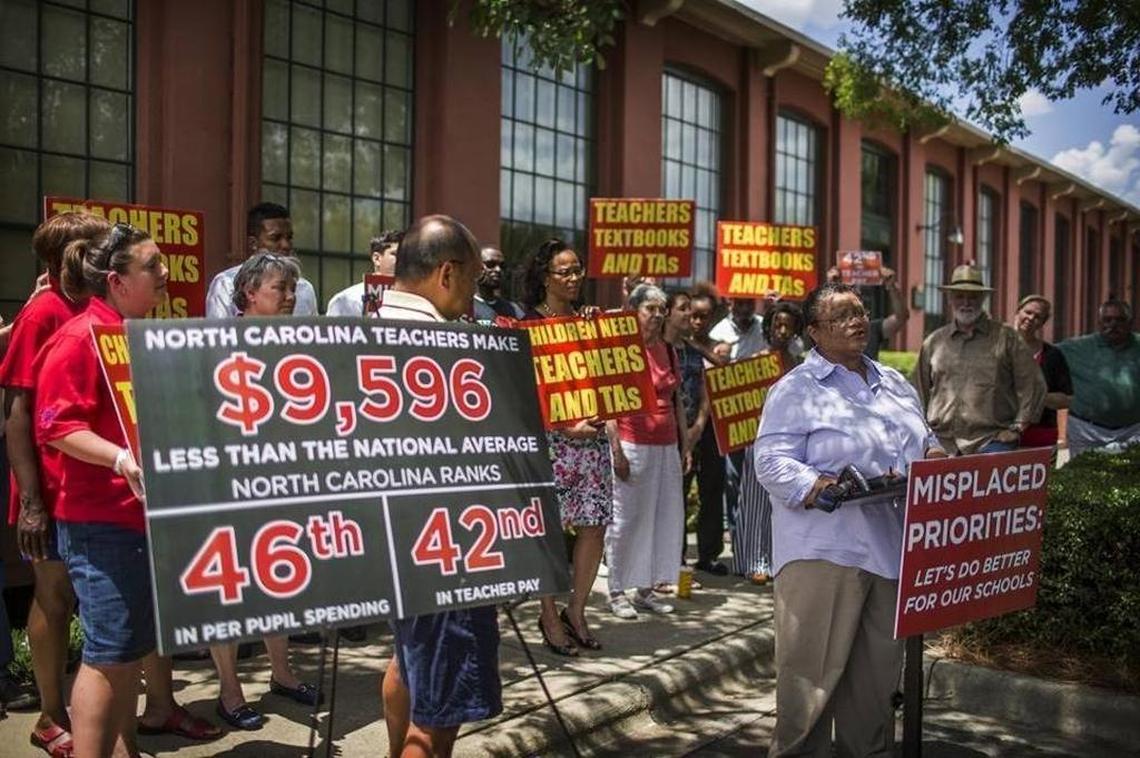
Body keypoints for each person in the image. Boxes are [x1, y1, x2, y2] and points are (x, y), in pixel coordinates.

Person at [754, 282, 945, 758]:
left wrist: (935, 455)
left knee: (876, 690)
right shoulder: (796, 389)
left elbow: (924, 438)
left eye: (860, 311)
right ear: (814, 331)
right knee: (810, 687)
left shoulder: (894, 382)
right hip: (825, 551)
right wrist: (819, 485)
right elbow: (771, 462)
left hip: (890, 551)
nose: (857, 320)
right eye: (841, 316)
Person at [34, 223, 167, 758]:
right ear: (117, 281)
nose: (164, 273)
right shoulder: (78, 338)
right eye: (152, 266)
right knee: (108, 656)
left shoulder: (129, 334)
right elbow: (54, 425)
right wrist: (118, 458)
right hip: (101, 522)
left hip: (137, 518)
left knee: (127, 652)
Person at [378, 215, 499, 758]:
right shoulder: (445, 349)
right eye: (472, 280)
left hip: (395, 542)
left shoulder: (363, 331)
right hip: (450, 547)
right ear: (447, 273)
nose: (474, 295)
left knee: (406, 662)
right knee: (438, 715)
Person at [1, 213, 107, 754]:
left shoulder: (95, 306)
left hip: (89, 479)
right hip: (47, 486)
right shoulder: (42, 313)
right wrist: (32, 501)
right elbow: (16, 412)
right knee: (55, 595)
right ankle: (49, 714)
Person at [209, 253, 320, 731]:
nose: (291, 297)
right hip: (232, 481)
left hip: (283, 478)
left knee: (281, 575)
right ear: (250, 293)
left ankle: (282, 673)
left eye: (293, 289)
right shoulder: (218, 344)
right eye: (280, 288)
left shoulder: (294, 344)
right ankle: (229, 691)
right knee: (231, 586)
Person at [519, 239, 612, 655]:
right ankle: (549, 615)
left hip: (592, 441)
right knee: (550, 530)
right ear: (544, 277)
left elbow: (612, 377)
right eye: (565, 272)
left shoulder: (590, 322)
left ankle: (577, 610)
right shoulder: (527, 326)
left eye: (578, 270)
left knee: (594, 526)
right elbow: (522, 391)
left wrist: (599, 333)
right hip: (552, 442)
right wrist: (565, 427)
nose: (574, 278)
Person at [606, 284, 690, 619]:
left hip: (666, 446)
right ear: (634, 311)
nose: (656, 315)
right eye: (649, 308)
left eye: (661, 309)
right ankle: (616, 591)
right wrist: (616, 450)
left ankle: (645, 590)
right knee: (626, 520)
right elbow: (609, 403)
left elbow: (676, 400)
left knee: (661, 518)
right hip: (632, 443)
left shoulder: (668, 350)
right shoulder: (622, 349)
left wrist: (685, 444)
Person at [913, 264, 1045, 455]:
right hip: (942, 443)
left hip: (990, 441)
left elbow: (1033, 384)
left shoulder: (1006, 338)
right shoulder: (934, 342)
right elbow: (918, 391)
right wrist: (923, 431)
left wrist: (1017, 427)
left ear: (982, 299)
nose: (966, 303)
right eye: (960, 296)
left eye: (973, 297)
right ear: (950, 299)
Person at [734, 302, 803, 585]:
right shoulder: (757, 361)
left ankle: (778, 559)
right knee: (755, 501)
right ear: (769, 328)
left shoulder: (799, 366)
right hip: (758, 439)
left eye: (788, 326)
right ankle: (754, 561)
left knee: (784, 504)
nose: (782, 331)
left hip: (791, 444)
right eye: (777, 325)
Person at [684, 288, 731, 575]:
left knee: (712, 489)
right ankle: (676, 555)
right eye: (693, 315)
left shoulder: (719, 347)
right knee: (679, 489)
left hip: (714, 428)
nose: (698, 322)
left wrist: (694, 346)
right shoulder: (676, 346)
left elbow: (722, 365)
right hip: (686, 425)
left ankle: (709, 554)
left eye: (704, 316)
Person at [204, 202, 318, 317]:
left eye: (289, 238)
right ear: (253, 243)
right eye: (275, 238)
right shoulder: (226, 283)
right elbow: (218, 327)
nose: (286, 245)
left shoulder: (305, 288)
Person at [1057, 299, 1140, 457]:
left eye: (1120, 320)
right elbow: (1040, 356)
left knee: (1132, 472)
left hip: (1133, 431)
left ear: (1130, 322)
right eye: (1107, 320)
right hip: (1086, 431)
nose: (1113, 325)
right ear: (1099, 323)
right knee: (1085, 472)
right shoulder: (1075, 348)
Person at [665, 289, 707, 566]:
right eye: (682, 308)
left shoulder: (693, 353)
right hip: (664, 436)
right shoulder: (657, 349)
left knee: (680, 500)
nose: (689, 313)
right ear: (667, 313)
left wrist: (698, 426)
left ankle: (677, 561)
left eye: (690, 307)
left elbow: (704, 393)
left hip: (691, 435)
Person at [1012, 295, 1073, 449]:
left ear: (1043, 323)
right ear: (1018, 312)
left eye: (1038, 316)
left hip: (1041, 435)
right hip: (1000, 435)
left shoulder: (1053, 355)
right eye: (1028, 312)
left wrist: (1037, 396)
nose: (1031, 318)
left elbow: (1066, 399)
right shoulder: (995, 348)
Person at [826, 264, 910, 359]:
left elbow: (901, 317)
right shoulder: (828, 329)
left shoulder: (871, 329)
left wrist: (892, 286)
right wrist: (830, 288)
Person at [325, 230, 402, 316]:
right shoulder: (348, 301)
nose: (403, 259)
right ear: (377, 259)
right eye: (395, 254)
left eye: (405, 255)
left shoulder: (409, 298)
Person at [473, 245, 523, 321]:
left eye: (502, 266)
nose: (498, 270)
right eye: (491, 264)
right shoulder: (463, 308)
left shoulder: (514, 310)